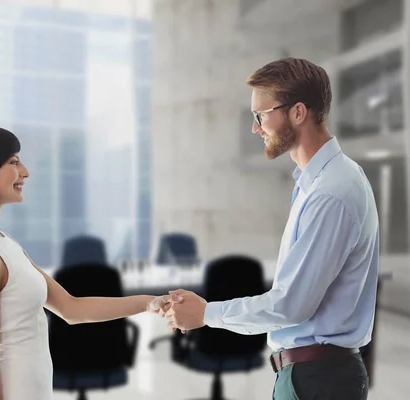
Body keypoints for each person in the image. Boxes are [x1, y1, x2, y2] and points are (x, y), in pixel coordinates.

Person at [160, 58, 379, 399]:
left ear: (298, 112)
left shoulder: (331, 192)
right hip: (312, 376)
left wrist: (206, 313)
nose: (255, 128)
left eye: (261, 115)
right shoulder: (317, 184)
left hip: (318, 380)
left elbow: (291, 305)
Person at [0, 125, 180, 400]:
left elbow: (71, 308)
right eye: (13, 162)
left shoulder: (6, 244)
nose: (25, 172)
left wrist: (148, 302)